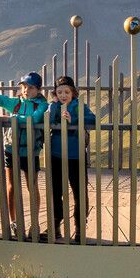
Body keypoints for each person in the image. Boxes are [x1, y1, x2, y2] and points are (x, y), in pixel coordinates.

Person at [0, 71, 47, 235]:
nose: (26, 90)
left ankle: (35, 223)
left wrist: (12, 118)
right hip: (11, 149)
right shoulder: (16, 103)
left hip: (31, 151)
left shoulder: (41, 105)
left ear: (38, 89)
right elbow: (3, 100)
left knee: (31, 186)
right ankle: (14, 223)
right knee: (12, 186)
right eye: (24, 86)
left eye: (31, 87)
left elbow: (34, 119)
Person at [42, 75, 96, 243]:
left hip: (76, 155)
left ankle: (79, 227)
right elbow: (42, 121)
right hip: (56, 155)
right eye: (59, 92)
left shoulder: (79, 106)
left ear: (73, 92)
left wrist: (75, 120)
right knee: (56, 191)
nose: (63, 95)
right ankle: (56, 225)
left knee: (79, 192)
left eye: (67, 91)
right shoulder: (53, 107)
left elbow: (93, 120)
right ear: (55, 94)